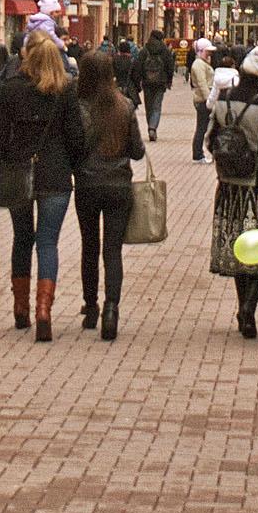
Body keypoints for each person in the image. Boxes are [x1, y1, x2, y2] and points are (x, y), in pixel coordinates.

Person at [0, 32, 87, 341]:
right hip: (55, 175)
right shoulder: (66, 91)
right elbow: (77, 138)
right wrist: (75, 167)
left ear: (27, 56)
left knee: (21, 239)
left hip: (18, 170)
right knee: (47, 243)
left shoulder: (12, 89)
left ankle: (21, 309)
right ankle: (44, 309)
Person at [205, 44, 258, 339]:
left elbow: (209, 139)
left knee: (241, 248)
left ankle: (243, 306)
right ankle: (249, 310)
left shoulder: (225, 98)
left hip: (228, 186)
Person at [72, 50, 146, 342]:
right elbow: (138, 151)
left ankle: (90, 308)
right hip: (118, 186)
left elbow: (73, 147)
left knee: (89, 246)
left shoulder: (78, 107)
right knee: (112, 250)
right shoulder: (125, 106)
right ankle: (111, 309)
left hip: (87, 185)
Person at [134, 29, 176, 141]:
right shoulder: (165, 50)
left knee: (149, 107)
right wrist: (169, 80)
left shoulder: (145, 50)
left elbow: (138, 65)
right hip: (160, 82)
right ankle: (153, 128)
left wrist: (138, 81)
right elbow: (170, 66)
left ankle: (150, 127)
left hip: (147, 82)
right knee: (157, 107)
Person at [190, 37, 217, 163]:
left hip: (203, 99)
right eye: (208, 52)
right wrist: (209, 100)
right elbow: (202, 84)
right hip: (202, 100)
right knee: (202, 128)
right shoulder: (199, 65)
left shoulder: (202, 63)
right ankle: (198, 154)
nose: (210, 54)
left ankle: (198, 153)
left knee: (203, 127)